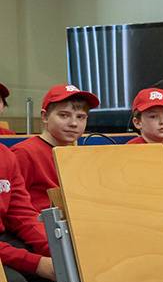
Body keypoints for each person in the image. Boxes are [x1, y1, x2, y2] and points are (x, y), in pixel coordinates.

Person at [14, 85, 99, 216]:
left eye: (80, 117)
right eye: (64, 115)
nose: (74, 123)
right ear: (45, 116)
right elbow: (13, 207)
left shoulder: (78, 155)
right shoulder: (23, 153)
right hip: (41, 224)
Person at [0, 143, 55, 282]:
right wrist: (37, 263)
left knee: (69, 274)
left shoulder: (5, 155)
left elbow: (22, 214)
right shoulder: (22, 153)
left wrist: (55, 251)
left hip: (4, 239)